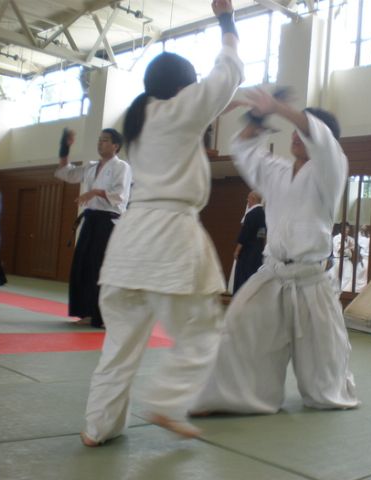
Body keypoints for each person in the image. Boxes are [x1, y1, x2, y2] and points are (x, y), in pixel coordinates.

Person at [80, 0, 243, 447]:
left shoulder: (139, 120)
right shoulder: (179, 109)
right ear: (182, 86)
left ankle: (97, 427)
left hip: (130, 240)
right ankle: (168, 403)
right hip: (170, 236)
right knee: (202, 330)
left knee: (120, 344)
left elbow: (214, 91)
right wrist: (226, 18)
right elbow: (228, 71)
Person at [190, 89, 360, 415]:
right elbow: (243, 149)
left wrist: (279, 107)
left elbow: (319, 135)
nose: (296, 135)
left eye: (304, 131)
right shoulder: (277, 171)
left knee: (324, 388)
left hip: (311, 280)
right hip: (273, 273)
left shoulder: (331, 169)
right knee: (239, 324)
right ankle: (229, 397)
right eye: (294, 131)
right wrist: (257, 116)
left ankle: (332, 386)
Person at [55, 128, 132, 329]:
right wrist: (64, 149)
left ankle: (105, 316)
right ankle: (88, 312)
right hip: (91, 221)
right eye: (99, 140)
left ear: (115, 146)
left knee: (101, 268)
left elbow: (120, 195)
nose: (100, 143)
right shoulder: (91, 167)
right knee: (83, 266)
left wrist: (95, 192)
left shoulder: (122, 167)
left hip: (109, 223)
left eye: (105, 140)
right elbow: (67, 173)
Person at [232, 190, 265, 294]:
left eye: (248, 198)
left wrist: (237, 251)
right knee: (254, 275)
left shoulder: (251, 214)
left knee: (243, 277)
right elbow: (262, 233)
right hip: (258, 251)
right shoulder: (263, 213)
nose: (247, 200)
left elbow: (244, 234)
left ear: (253, 199)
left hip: (247, 252)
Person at [332, 222, 355, 292]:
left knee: (349, 277)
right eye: (345, 228)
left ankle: (342, 292)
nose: (347, 230)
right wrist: (348, 246)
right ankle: (335, 292)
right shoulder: (336, 238)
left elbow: (354, 249)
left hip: (347, 260)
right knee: (335, 278)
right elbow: (339, 250)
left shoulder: (351, 239)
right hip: (338, 260)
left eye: (348, 228)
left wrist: (350, 247)